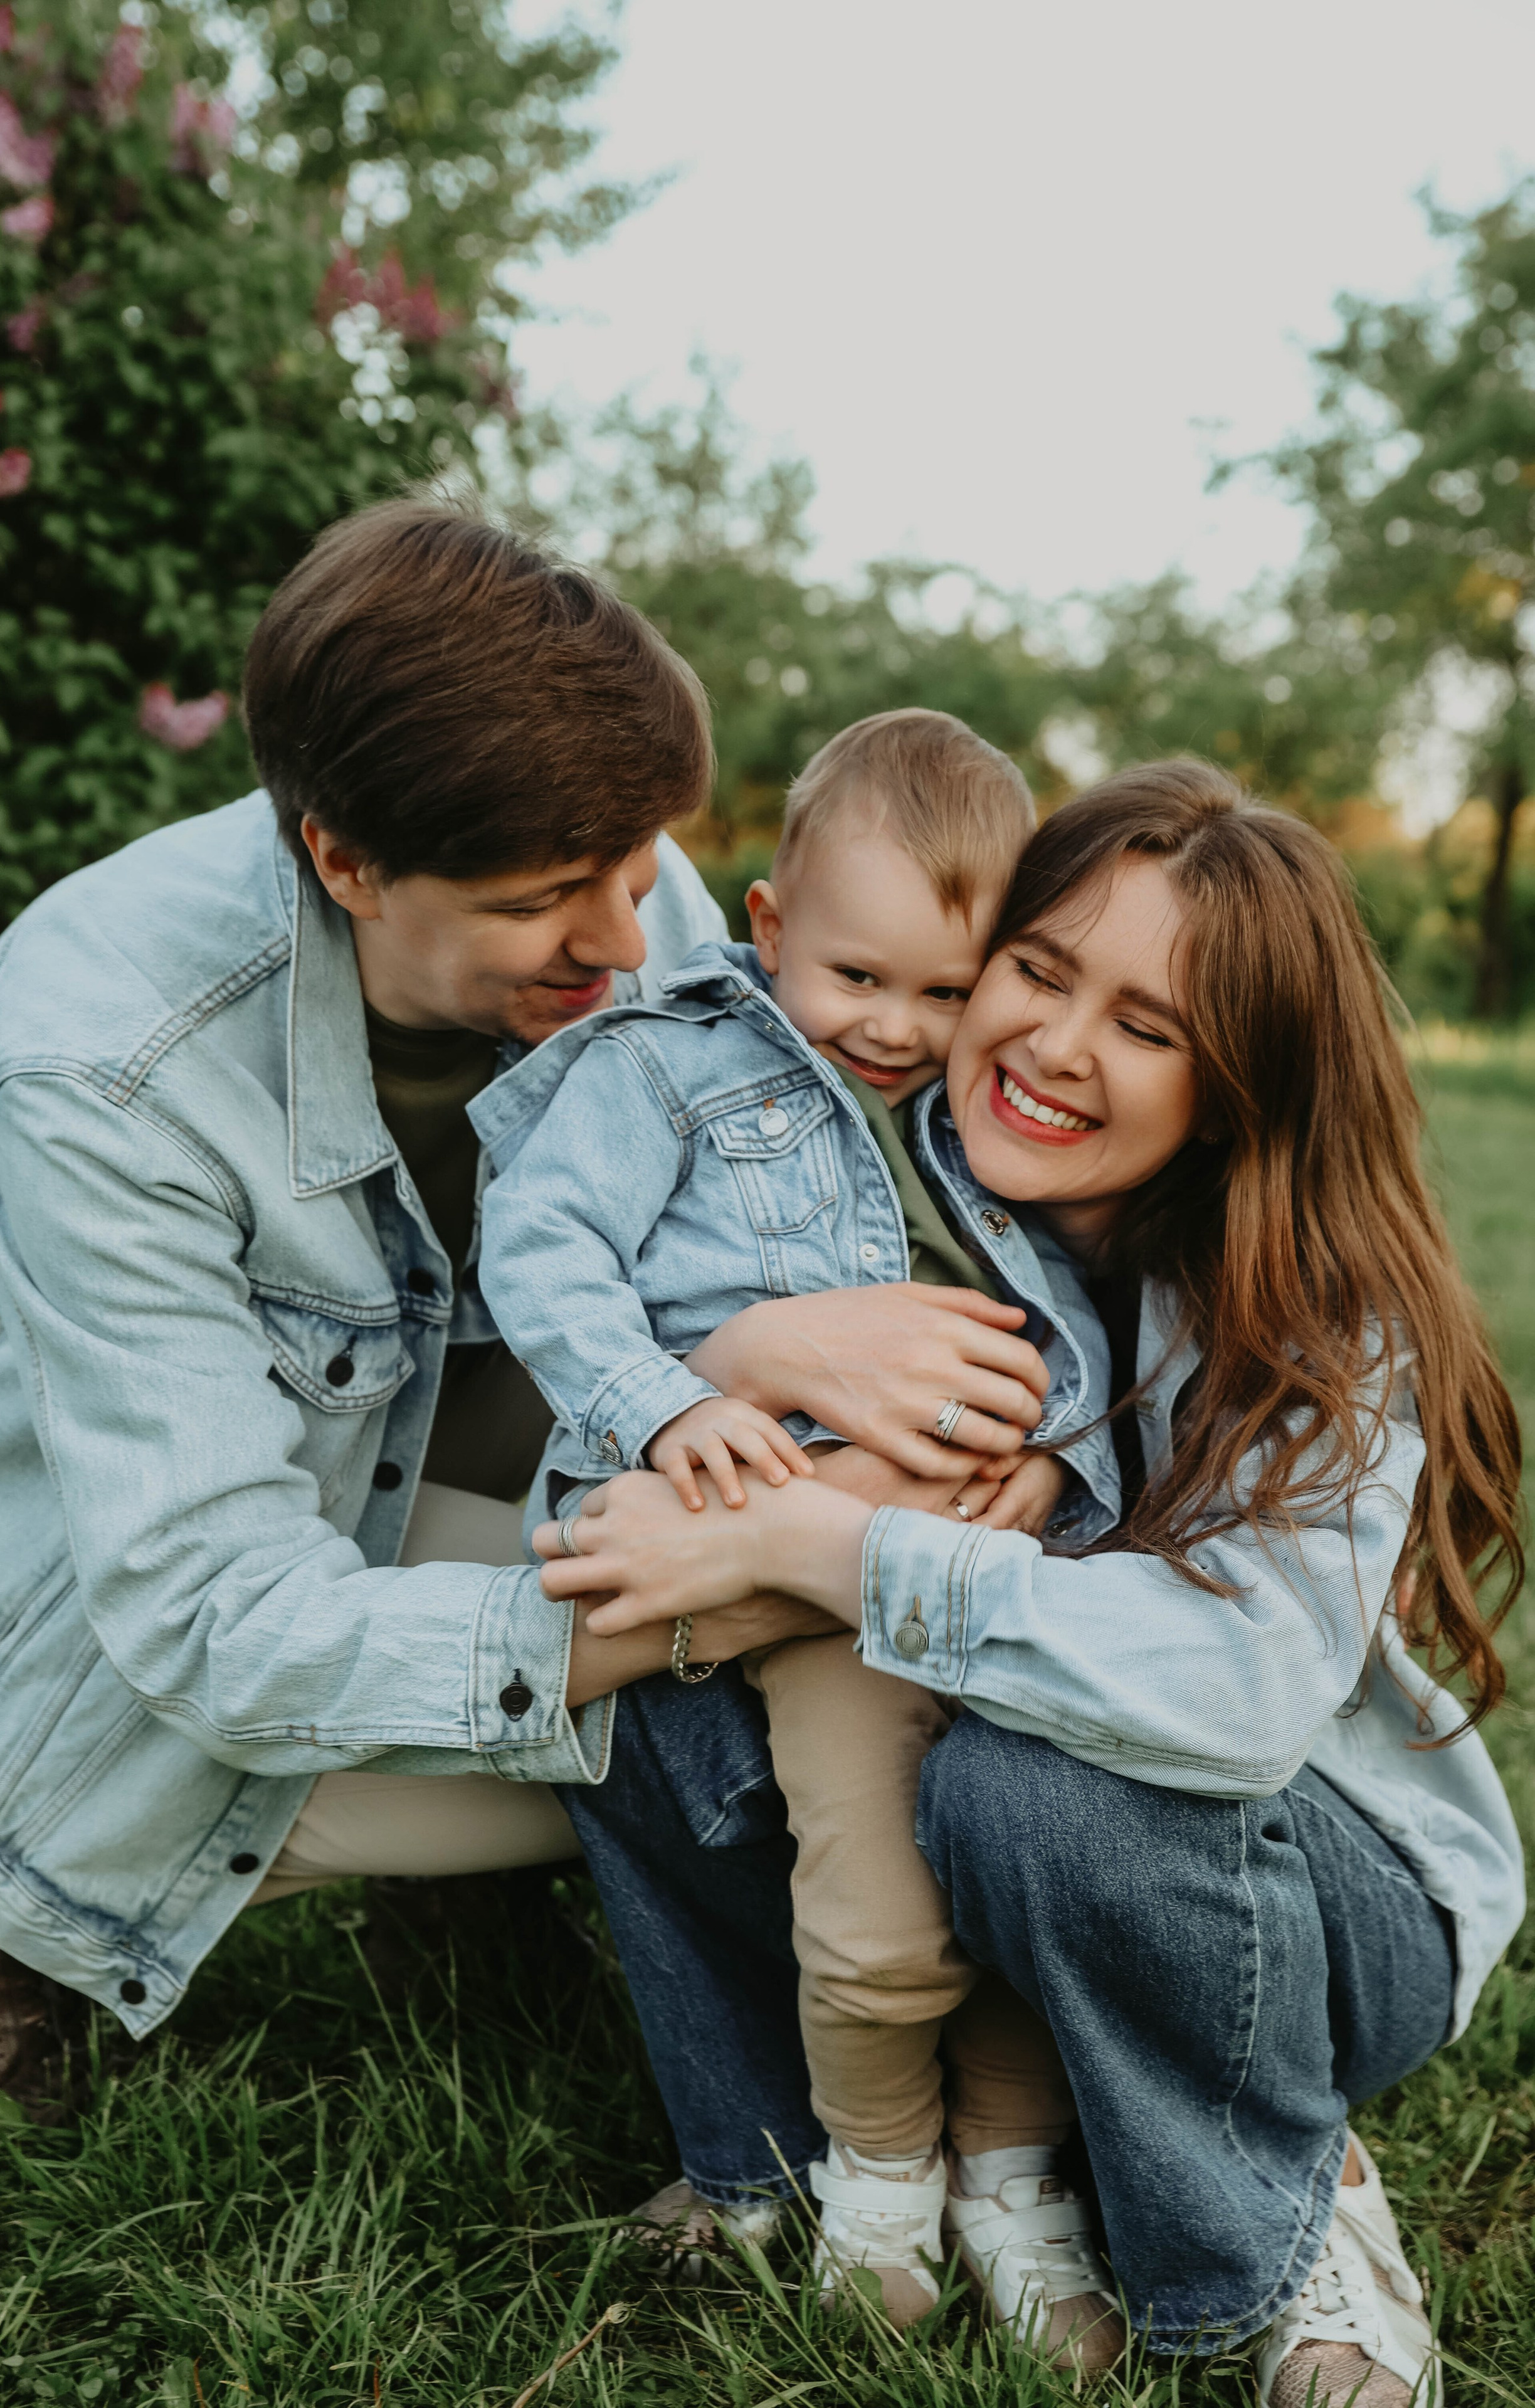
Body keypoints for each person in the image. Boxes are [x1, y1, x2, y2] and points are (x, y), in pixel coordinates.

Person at [0, 497, 1058, 2128]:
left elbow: (631, 1270)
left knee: (823, 1547)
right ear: (345, 860)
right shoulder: (103, 1078)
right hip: (86, 1630)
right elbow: (214, 1624)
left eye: (640, 863)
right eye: (548, 896)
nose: (626, 935)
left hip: (414, 1433)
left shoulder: (627, 899)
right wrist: (726, 1590)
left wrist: (753, 1362)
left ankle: (502, 1866)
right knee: (774, 1598)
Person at [535, 760, 1526, 2402]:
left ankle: (1292, 2202)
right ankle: (812, 2158)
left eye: (1148, 1026)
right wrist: (733, 1354)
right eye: (1041, 971)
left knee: (1026, 1785)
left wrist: (816, 1546)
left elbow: (1239, 1700)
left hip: (1305, 1892)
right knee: (674, 1690)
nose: (1058, 1047)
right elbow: (615, 1348)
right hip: (996, 1832)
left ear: (1234, 1084)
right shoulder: (862, 1171)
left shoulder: (1315, 1316)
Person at [475, 708, 1124, 2337]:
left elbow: (1081, 1311)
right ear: (765, 923)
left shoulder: (991, 1112)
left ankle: (1019, 2178)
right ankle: (880, 2181)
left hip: (974, 1542)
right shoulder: (669, 1067)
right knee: (883, 1901)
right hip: (770, 1523)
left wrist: (1056, 1454)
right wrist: (676, 1402)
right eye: (857, 979)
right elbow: (543, 1253)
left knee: (1024, 1863)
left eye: (945, 988)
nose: (899, 1028)